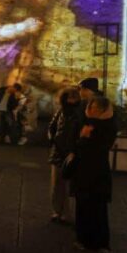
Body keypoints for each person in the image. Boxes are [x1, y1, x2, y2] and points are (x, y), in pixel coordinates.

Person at [69, 95, 116, 253]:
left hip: (98, 171)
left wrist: (86, 138)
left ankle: (102, 243)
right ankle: (83, 239)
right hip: (83, 171)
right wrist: (83, 138)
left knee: (99, 208)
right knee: (83, 207)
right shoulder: (83, 121)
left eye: (97, 108)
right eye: (92, 107)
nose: (93, 110)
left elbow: (102, 147)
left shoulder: (108, 125)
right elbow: (76, 144)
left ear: (103, 109)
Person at [47, 86, 81, 223]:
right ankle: (56, 211)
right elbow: (52, 127)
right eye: (69, 97)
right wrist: (52, 139)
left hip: (71, 153)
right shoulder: (61, 112)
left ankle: (67, 213)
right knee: (56, 184)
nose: (71, 100)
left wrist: (75, 150)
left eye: (74, 97)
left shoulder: (80, 113)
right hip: (57, 152)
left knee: (68, 186)